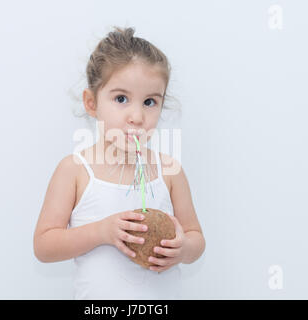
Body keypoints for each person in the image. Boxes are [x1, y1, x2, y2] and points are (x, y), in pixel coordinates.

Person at [33, 26, 206, 299]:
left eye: (150, 101)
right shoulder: (75, 170)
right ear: (91, 103)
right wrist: (101, 231)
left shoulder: (169, 171)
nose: (137, 116)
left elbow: (196, 237)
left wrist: (183, 249)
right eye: (121, 99)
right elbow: (44, 246)